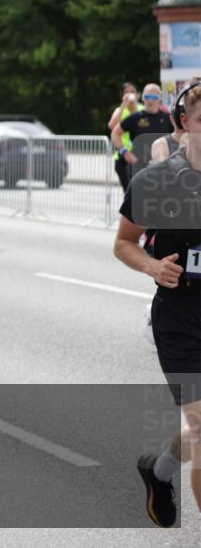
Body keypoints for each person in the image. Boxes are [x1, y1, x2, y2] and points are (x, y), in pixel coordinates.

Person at [114, 78, 201, 528]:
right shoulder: (157, 181)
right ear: (185, 124)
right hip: (180, 319)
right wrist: (152, 267)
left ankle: (159, 469)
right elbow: (124, 244)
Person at [112, 83, 175, 180]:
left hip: (161, 168)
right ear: (142, 98)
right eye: (147, 96)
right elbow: (115, 133)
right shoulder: (136, 117)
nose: (150, 100)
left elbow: (178, 137)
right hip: (138, 168)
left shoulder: (167, 118)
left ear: (160, 99)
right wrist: (125, 152)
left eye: (153, 97)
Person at [108, 82, 140, 191]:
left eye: (132, 92)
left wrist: (134, 106)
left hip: (139, 157)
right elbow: (112, 126)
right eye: (126, 92)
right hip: (123, 156)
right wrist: (123, 106)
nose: (129, 94)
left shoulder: (142, 108)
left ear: (137, 95)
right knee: (128, 193)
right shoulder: (119, 110)